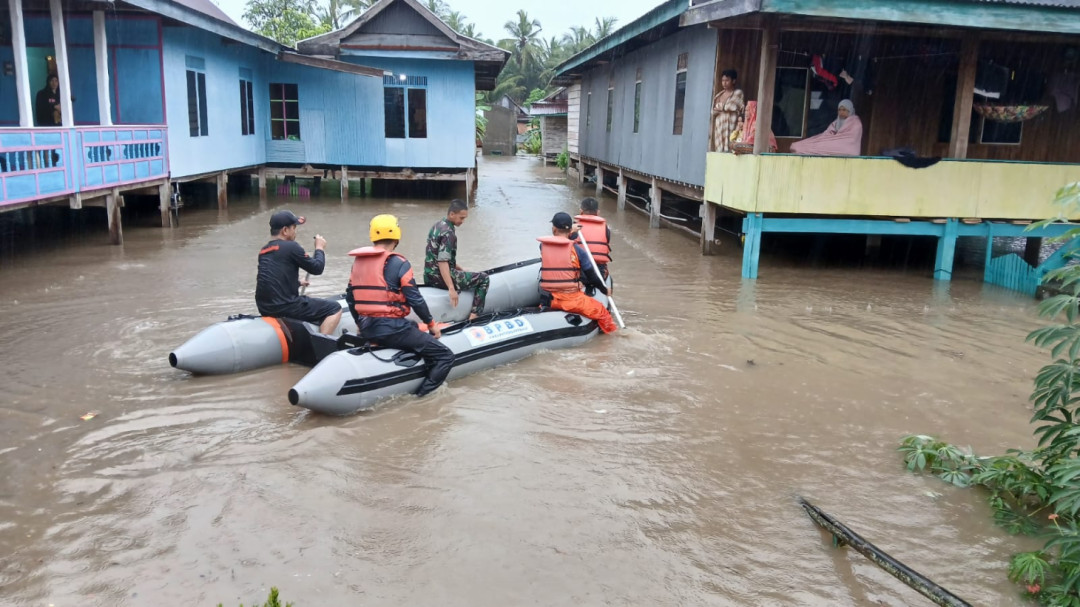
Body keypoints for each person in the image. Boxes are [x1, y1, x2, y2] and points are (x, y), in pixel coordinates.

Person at [347, 215, 454, 397]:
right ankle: (420, 398)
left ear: (373, 236)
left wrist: (359, 323)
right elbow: (415, 299)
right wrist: (431, 325)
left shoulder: (358, 262)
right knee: (445, 356)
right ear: (397, 237)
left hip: (367, 327)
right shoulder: (399, 263)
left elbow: (350, 297)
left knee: (411, 326)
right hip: (390, 329)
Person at [255, 210, 342, 335]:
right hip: (285, 306)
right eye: (294, 228)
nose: (295, 232)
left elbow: (271, 281)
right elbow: (317, 268)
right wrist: (319, 248)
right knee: (334, 308)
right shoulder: (291, 247)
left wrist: (297, 283)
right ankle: (322, 345)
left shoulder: (264, 251)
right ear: (285, 230)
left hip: (264, 307)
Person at [538, 212, 617, 334]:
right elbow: (593, 277)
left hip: (549, 299)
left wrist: (569, 233)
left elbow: (558, 243)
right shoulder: (579, 251)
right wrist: (604, 290)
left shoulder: (543, 246)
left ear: (553, 228)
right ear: (570, 230)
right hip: (571, 300)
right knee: (602, 312)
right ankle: (611, 337)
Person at [424, 199, 489, 320]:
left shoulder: (437, 226)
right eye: (461, 218)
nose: (463, 221)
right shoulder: (449, 234)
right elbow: (442, 262)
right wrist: (451, 288)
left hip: (428, 276)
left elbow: (435, 255)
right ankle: (474, 316)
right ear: (452, 214)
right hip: (440, 278)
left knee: (462, 272)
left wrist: (458, 267)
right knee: (484, 278)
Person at [789, 99, 863, 157]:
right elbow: (827, 134)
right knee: (803, 145)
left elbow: (850, 140)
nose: (841, 112)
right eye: (839, 110)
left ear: (849, 110)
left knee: (813, 146)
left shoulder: (856, 123)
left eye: (844, 110)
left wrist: (833, 140)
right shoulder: (836, 122)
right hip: (833, 143)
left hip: (846, 148)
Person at [572, 197, 612, 281]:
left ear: (581, 211)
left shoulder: (574, 227)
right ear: (598, 212)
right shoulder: (606, 228)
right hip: (599, 271)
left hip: (578, 271)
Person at [711, 69, 745, 153]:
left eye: (727, 80)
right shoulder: (718, 95)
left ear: (733, 81)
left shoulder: (738, 93)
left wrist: (721, 108)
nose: (724, 83)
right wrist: (719, 109)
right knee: (719, 150)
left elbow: (732, 106)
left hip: (731, 126)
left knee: (731, 147)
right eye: (723, 80)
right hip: (719, 127)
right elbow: (713, 111)